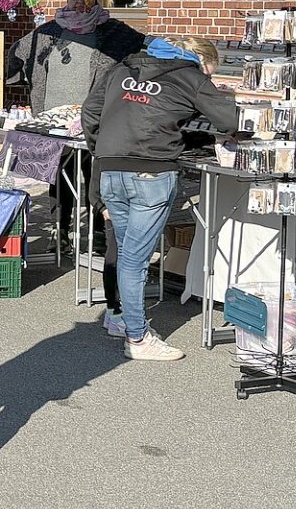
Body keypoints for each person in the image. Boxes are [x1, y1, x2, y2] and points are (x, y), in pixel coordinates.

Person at [81, 36, 237, 361]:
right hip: (150, 171)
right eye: (209, 69)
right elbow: (230, 121)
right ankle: (138, 339)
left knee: (126, 252)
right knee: (136, 259)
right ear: (199, 59)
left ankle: (120, 318)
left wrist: (104, 152)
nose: (208, 75)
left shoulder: (122, 67)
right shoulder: (190, 75)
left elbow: (90, 112)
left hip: (111, 168)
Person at [5, 0, 146, 246]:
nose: (79, 3)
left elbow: (143, 48)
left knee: (96, 176)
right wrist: (14, 79)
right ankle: (60, 231)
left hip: (94, 120)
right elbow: (18, 53)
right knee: (59, 176)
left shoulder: (114, 31)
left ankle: (100, 233)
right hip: (54, 117)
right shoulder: (49, 31)